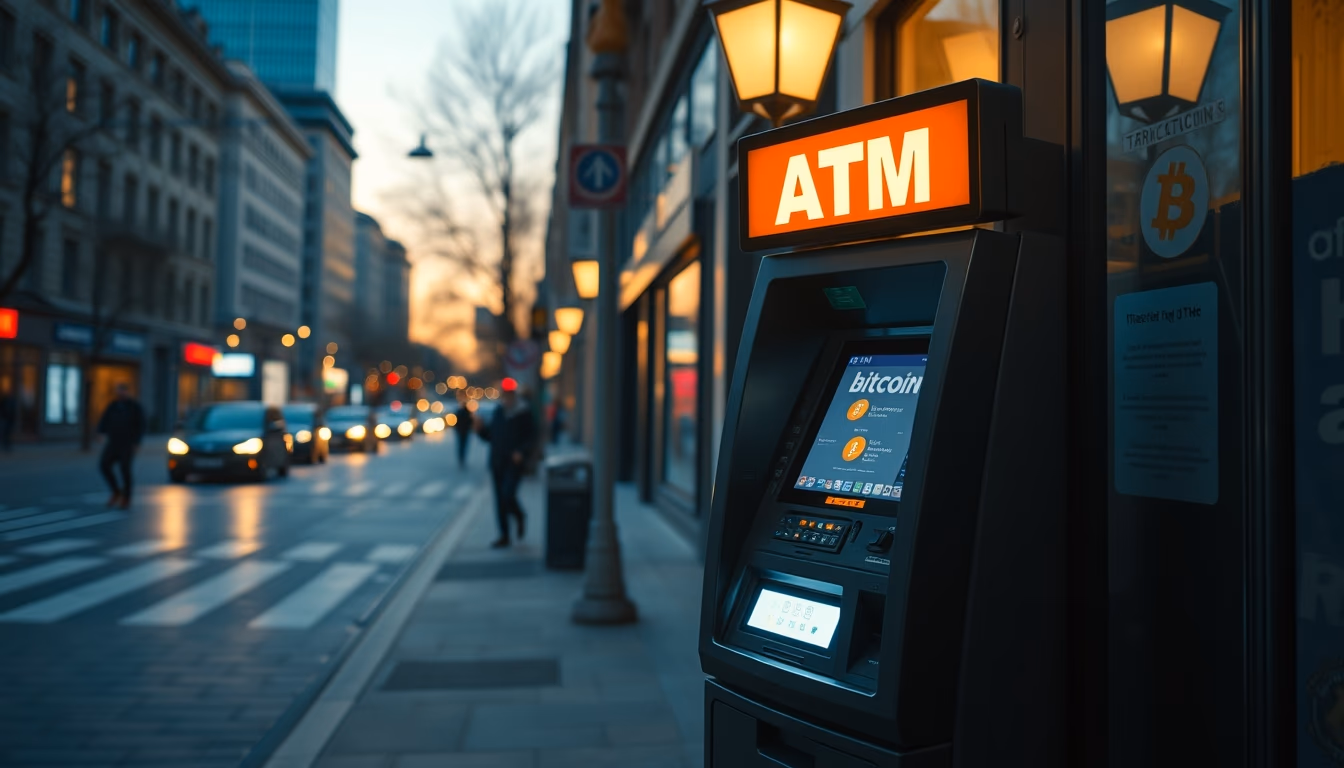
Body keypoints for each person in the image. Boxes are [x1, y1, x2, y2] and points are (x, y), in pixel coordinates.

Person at [475, 378, 536, 548]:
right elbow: (491, 436)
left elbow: (531, 437)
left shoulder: (523, 412)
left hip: (514, 463)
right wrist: (480, 430)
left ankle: (519, 516)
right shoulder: (498, 412)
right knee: (499, 499)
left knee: (508, 494)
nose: (506, 398)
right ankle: (504, 535)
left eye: (509, 395)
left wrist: (522, 452)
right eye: (504, 395)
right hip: (497, 462)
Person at [97, 383, 145, 509]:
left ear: (127, 392)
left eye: (123, 391)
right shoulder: (113, 405)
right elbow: (104, 419)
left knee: (125, 470)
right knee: (104, 465)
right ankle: (116, 491)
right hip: (113, 442)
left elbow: (140, 425)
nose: (121, 393)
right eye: (119, 391)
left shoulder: (134, 407)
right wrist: (101, 432)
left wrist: (137, 442)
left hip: (127, 444)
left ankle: (126, 497)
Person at [453, 400, 473, 467]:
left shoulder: (459, 412)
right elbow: (470, 421)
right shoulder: (467, 412)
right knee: (463, 446)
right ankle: (462, 458)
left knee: (461, 446)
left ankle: (461, 458)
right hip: (465, 431)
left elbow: (456, 422)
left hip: (461, 431)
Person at [0, 386, 16, 452]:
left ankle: (7, 446)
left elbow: (14, 410)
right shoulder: (5, 399)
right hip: (5, 418)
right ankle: (5, 445)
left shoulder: (13, 400)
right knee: (5, 432)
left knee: (8, 433)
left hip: (10, 419)